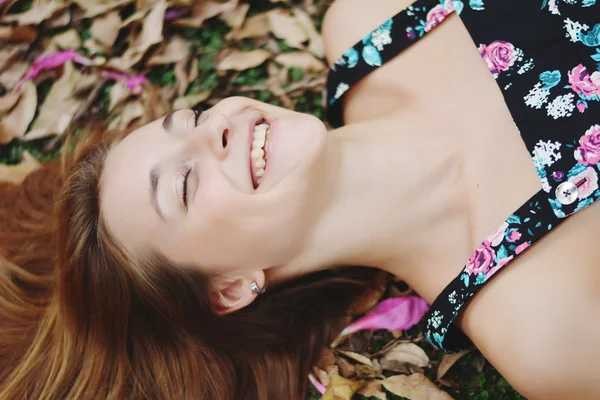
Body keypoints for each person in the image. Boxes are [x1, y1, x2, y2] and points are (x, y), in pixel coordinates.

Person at [0, 0, 599, 398]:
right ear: (231, 287)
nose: (217, 128)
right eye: (184, 186)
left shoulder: (372, 19)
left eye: (192, 119)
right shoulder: (547, 330)